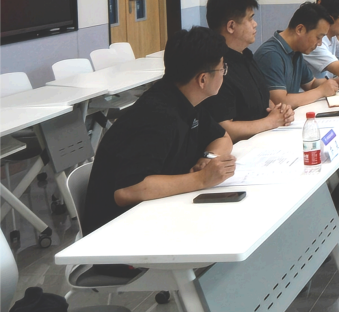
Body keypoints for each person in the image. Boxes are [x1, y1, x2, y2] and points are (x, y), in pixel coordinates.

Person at [83, 27, 237, 235]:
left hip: (158, 214)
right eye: (222, 69)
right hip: (120, 234)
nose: (224, 74)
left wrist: (208, 158)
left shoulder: (187, 98)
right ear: (203, 79)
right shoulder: (156, 116)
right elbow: (127, 191)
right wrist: (201, 179)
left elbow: (223, 137)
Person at [202, 0, 294, 142]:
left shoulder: (246, 56)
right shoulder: (216, 67)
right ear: (231, 26)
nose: (255, 24)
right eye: (250, 18)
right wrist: (270, 122)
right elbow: (224, 128)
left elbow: (264, 101)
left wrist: (280, 111)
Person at [254, 3, 339, 108]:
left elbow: (311, 84)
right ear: (300, 29)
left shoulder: (296, 51)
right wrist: (321, 91)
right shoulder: (271, 55)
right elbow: (280, 102)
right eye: (318, 37)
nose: (319, 44)